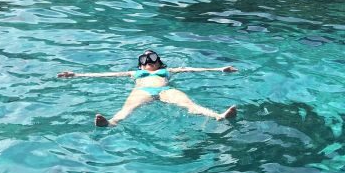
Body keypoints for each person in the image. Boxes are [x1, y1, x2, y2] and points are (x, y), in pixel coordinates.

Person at [57, 49, 238, 127]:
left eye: (152, 58)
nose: (149, 62)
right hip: (142, 91)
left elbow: (191, 69)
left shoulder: (168, 71)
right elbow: (106, 74)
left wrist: (219, 68)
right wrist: (77, 75)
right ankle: (111, 123)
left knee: (190, 105)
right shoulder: (133, 73)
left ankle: (218, 116)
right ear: (140, 66)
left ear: (159, 62)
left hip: (166, 91)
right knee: (127, 109)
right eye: (144, 60)